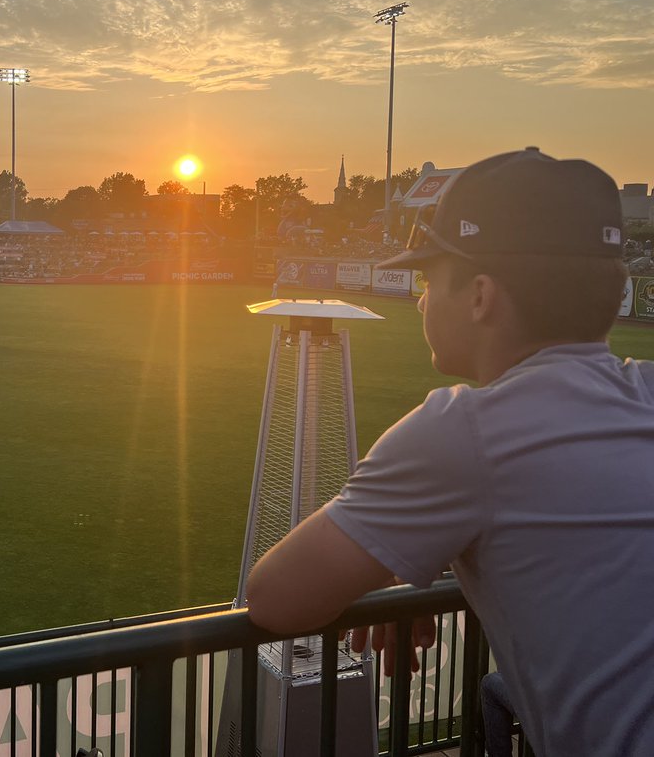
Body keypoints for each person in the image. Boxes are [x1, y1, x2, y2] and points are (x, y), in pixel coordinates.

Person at [244, 148, 654, 757]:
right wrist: (410, 556)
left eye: (428, 279)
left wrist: (397, 563)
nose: (419, 299)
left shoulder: (463, 429)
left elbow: (276, 598)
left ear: (481, 296)